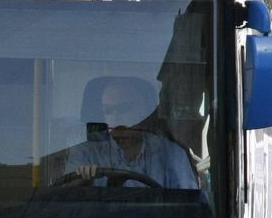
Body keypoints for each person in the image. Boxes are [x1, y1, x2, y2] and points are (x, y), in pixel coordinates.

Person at [60, 76, 196, 188]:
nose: (116, 117)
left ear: (145, 112)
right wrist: (82, 184)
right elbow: (66, 203)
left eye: (124, 108)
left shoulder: (171, 153)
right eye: (108, 110)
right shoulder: (85, 153)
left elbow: (190, 205)